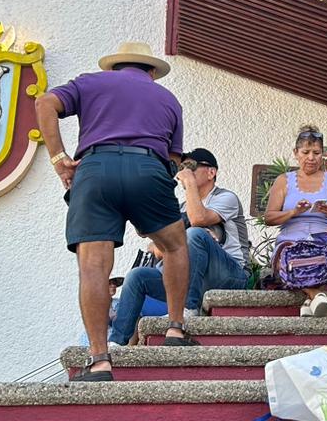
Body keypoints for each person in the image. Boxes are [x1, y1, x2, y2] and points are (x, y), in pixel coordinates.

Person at [36, 41, 191, 382]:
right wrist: (145, 212)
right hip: (147, 170)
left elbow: (45, 102)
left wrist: (59, 158)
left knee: (93, 266)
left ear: (113, 68)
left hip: (94, 170)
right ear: (151, 72)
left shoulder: (91, 82)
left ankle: (99, 360)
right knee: (176, 245)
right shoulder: (168, 99)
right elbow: (174, 161)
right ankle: (176, 330)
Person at [107, 147, 250, 346]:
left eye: (191, 167)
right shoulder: (181, 208)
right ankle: (116, 342)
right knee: (137, 276)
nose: (183, 171)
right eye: (182, 167)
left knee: (195, 234)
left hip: (231, 275)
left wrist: (190, 183)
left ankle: (188, 309)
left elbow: (198, 219)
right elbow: (160, 250)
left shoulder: (226, 198)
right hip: (192, 278)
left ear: (211, 172)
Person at [263, 125, 327, 317]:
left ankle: (309, 300)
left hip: (323, 233)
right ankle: (317, 296)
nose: (311, 157)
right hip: (291, 234)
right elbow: (269, 218)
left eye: (316, 153)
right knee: (289, 254)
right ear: (296, 153)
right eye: (306, 152)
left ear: (323, 155)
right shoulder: (283, 180)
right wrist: (293, 212)